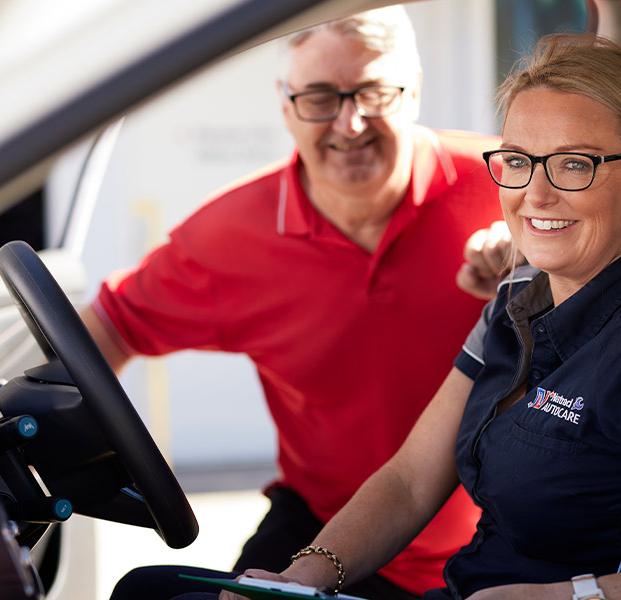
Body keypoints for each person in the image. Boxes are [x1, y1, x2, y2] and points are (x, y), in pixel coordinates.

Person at [223, 33, 621, 600]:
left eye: (573, 164)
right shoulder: (518, 298)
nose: (534, 195)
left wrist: (570, 596)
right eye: (518, 160)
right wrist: (301, 578)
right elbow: (411, 480)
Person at [86, 7, 510, 600]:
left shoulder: (509, 186)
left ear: (413, 93)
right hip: (323, 525)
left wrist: (538, 260)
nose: (350, 121)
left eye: (373, 92)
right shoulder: (231, 236)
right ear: (286, 106)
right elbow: (106, 329)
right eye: (319, 97)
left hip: (503, 536)